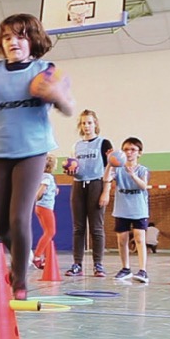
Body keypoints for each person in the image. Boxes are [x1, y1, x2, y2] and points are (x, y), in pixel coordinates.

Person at [0, 13, 75, 299]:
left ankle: (19, 280)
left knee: (19, 218)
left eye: (20, 36)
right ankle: (23, 254)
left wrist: (58, 94)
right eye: (7, 37)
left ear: (32, 40)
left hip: (32, 151)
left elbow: (68, 108)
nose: (13, 42)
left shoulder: (45, 70)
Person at [65, 109, 113, 278]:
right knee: (78, 228)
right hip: (78, 186)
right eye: (84, 123)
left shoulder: (104, 144)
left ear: (95, 124)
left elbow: (111, 168)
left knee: (96, 228)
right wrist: (70, 171)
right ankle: (77, 264)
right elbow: (74, 167)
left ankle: (98, 265)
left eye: (90, 122)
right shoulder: (76, 146)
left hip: (96, 185)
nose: (87, 126)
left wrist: (106, 191)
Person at [101, 137, 150, 283]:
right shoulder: (118, 169)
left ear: (139, 153)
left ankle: (143, 270)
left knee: (139, 238)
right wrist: (110, 163)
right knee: (122, 240)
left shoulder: (143, 170)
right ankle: (125, 268)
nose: (129, 152)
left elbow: (143, 186)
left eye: (133, 150)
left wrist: (133, 175)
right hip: (122, 209)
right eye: (126, 149)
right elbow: (105, 179)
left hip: (138, 209)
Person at [32, 155, 59, 269]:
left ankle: (46, 258)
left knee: (47, 232)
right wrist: (37, 196)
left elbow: (47, 189)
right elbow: (42, 189)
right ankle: (37, 256)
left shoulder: (40, 176)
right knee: (51, 232)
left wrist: (54, 191)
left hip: (40, 208)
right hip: (45, 208)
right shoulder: (47, 177)